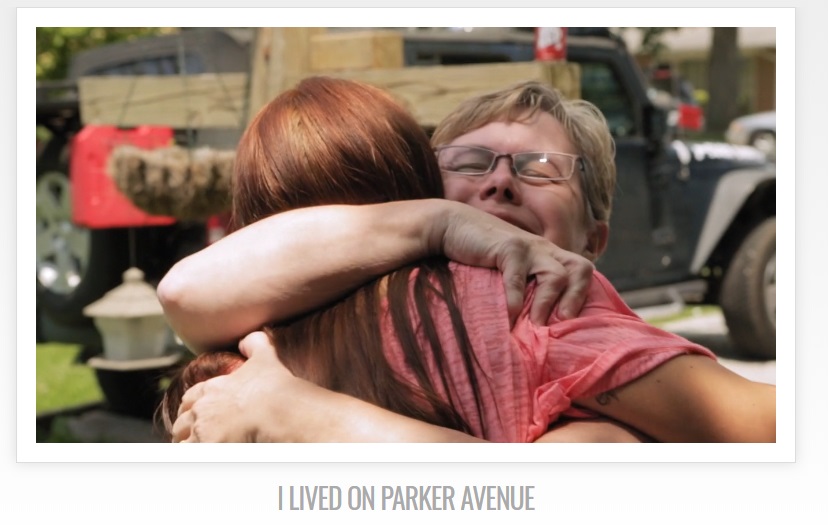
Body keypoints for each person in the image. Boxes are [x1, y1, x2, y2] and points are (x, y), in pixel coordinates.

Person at [162, 78, 775, 443]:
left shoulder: (547, 312)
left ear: (593, 240)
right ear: (420, 190)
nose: (501, 184)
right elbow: (183, 292)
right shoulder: (248, 331)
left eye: (541, 168)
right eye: (470, 163)